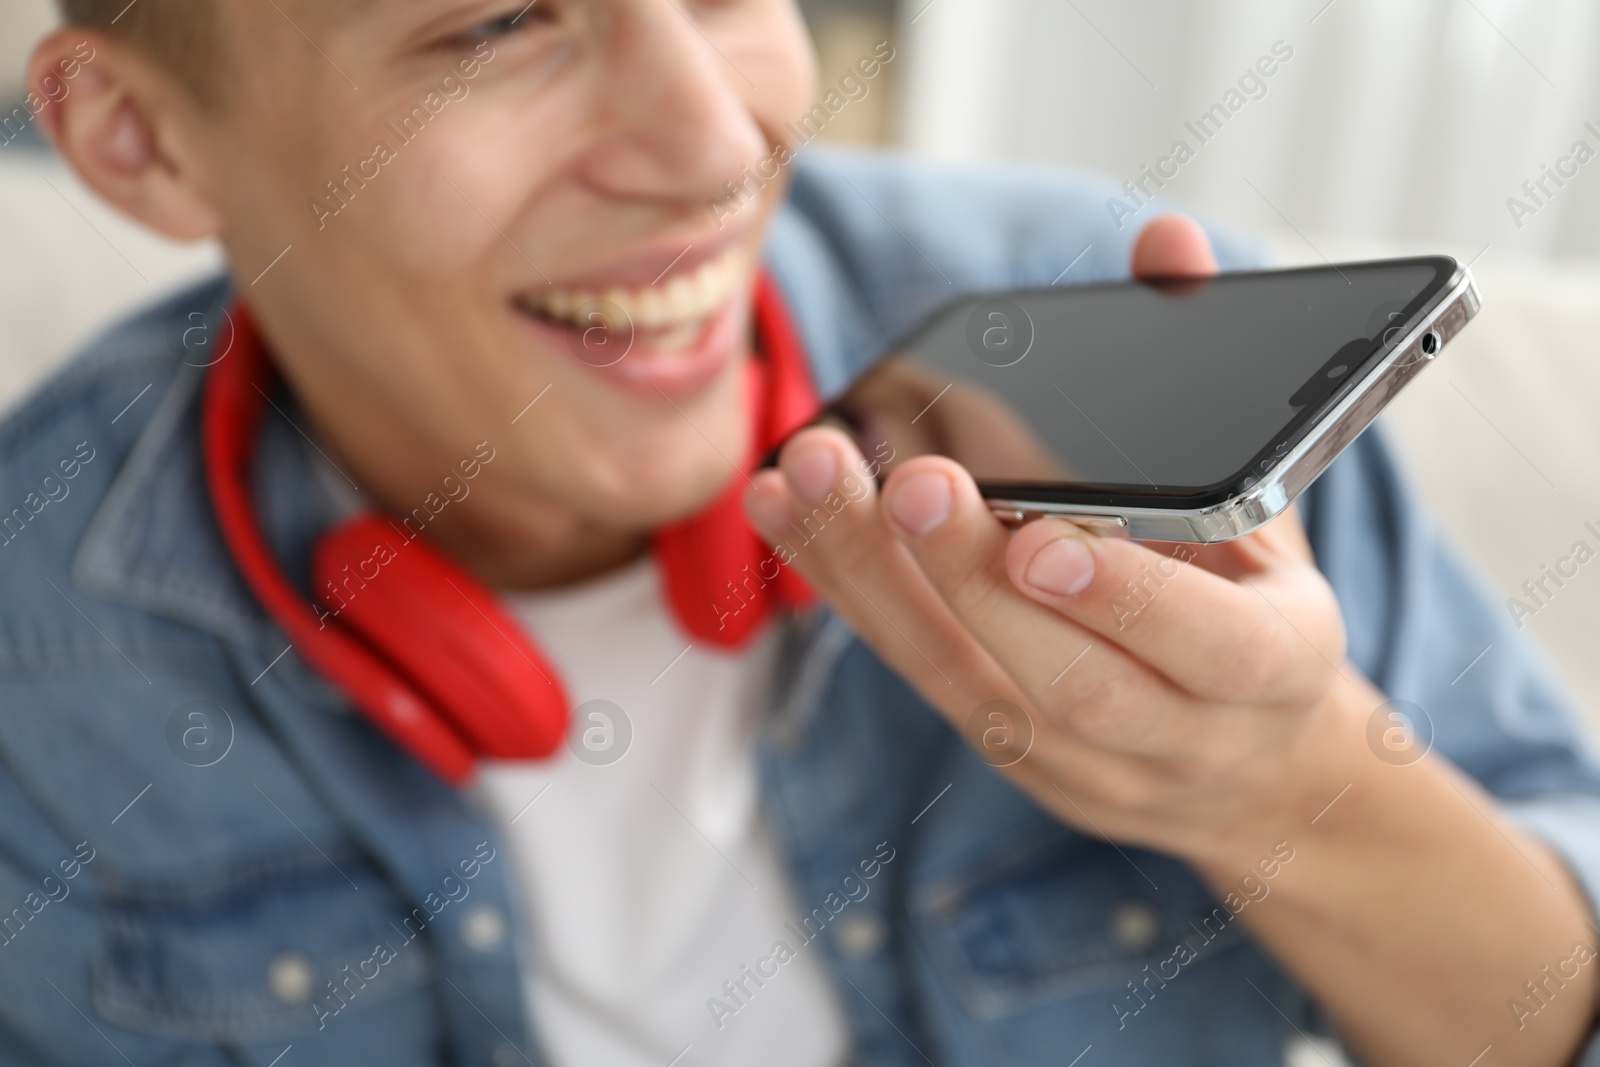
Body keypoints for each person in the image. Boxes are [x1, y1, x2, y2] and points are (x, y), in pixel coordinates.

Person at [4, 2, 1599, 1065]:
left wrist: (1281, 785)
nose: (715, 147)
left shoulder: (1114, 308)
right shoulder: (35, 659)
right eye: (497, 22)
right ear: (140, 138)